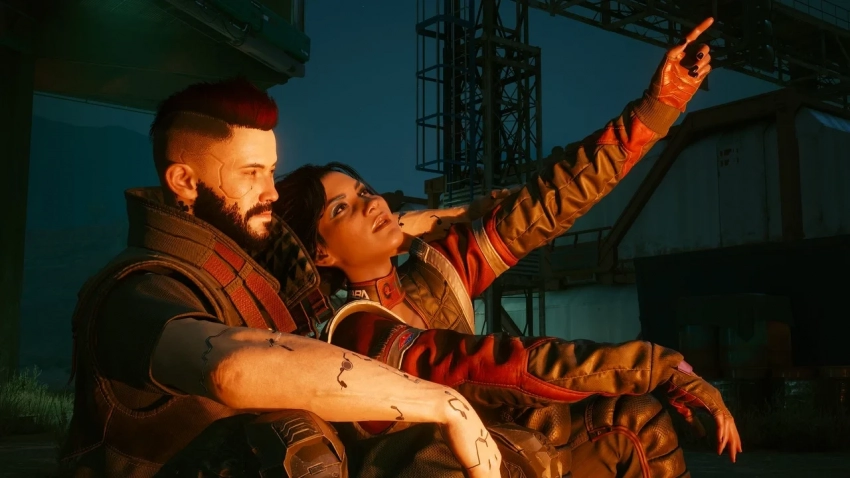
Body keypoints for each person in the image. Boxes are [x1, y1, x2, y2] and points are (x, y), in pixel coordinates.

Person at [271, 17, 742, 478]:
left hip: (504, 453)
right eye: (341, 208)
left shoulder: (436, 275)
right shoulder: (357, 335)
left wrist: (658, 106)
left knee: (634, 421)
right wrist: (655, 365)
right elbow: (495, 365)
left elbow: (549, 201)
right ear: (321, 254)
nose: (370, 203)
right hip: (450, 468)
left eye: (362, 190)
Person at [58, 77, 504, 478]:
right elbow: (232, 368)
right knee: (292, 443)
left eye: (270, 171)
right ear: (185, 182)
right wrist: (445, 404)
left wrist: (457, 214)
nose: (270, 191)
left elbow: (375, 230)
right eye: (251, 173)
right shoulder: (140, 289)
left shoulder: (246, 264)